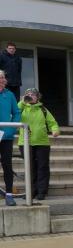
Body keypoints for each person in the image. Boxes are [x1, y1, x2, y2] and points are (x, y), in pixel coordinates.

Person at [16, 88, 59, 201]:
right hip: (25, 143)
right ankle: (31, 191)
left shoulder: (43, 110)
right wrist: (23, 101)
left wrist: (55, 130)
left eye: (33, 94)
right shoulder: (22, 108)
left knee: (42, 167)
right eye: (28, 94)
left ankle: (41, 191)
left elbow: (52, 123)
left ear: (37, 97)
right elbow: (15, 112)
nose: (30, 96)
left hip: (42, 143)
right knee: (30, 168)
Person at [0, 71, 20, 206]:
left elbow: (16, 113)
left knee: (7, 165)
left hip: (6, 136)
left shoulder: (10, 95)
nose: (1, 80)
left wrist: (11, 128)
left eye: (2, 77)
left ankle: (9, 195)